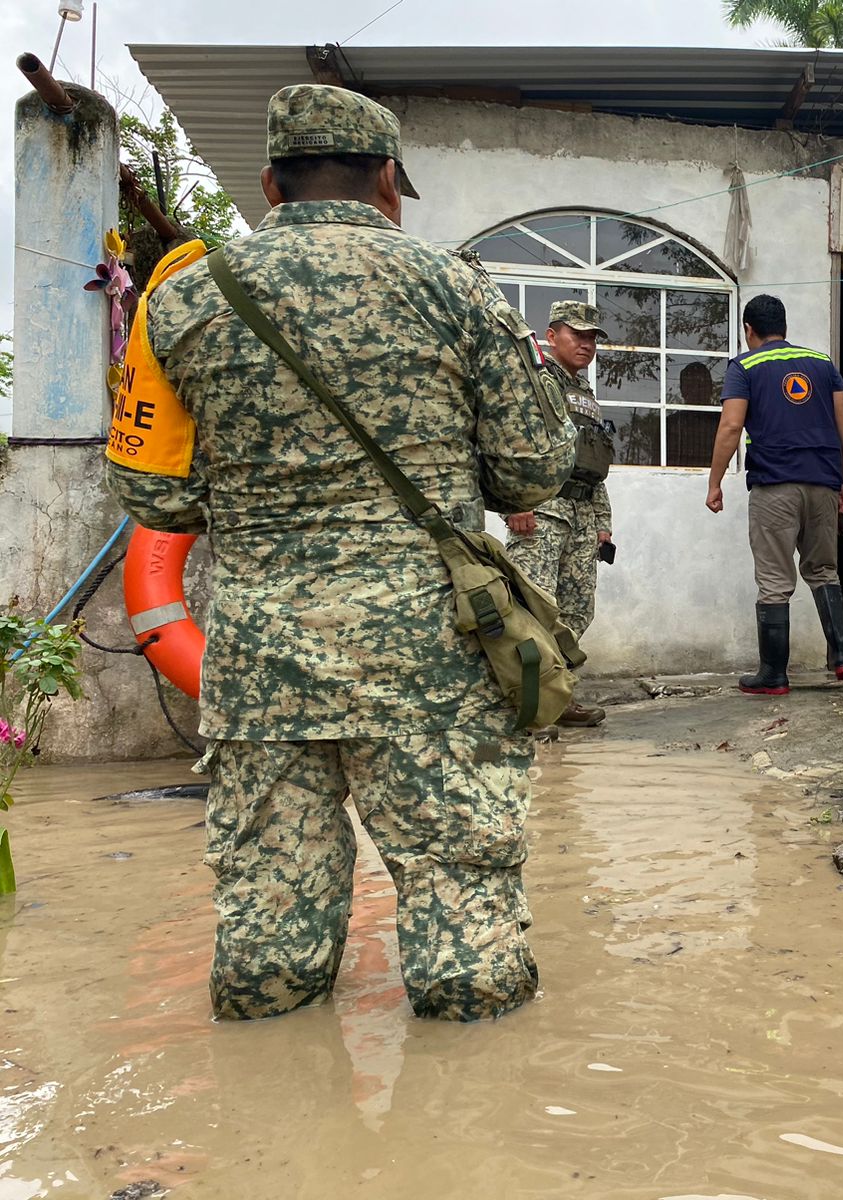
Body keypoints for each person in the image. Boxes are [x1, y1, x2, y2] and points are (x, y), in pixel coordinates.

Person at [105, 84, 575, 1020]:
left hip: (257, 659)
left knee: (265, 950)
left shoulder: (188, 298)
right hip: (427, 662)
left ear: (272, 182)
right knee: (466, 935)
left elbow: (154, 492)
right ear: (389, 180)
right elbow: (532, 471)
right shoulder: (456, 284)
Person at [706, 294, 843, 695]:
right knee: (824, 569)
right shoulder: (822, 363)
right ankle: (842, 657)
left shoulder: (744, 366)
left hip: (775, 485)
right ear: (785, 328)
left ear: (748, 330)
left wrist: (715, 481)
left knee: (775, 580)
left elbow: (730, 427)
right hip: (824, 484)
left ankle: (773, 674)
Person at [505, 301, 615, 728]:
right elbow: (511, 438)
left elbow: (595, 460)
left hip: (583, 511)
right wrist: (517, 501)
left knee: (575, 612)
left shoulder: (582, 392)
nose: (586, 344)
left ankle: (558, 699)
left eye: (592, 338)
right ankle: (522, 704)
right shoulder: (534, 379)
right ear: (552, 335)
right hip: (543, 509)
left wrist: (603, 521)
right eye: (578, 335)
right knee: (532, 610)